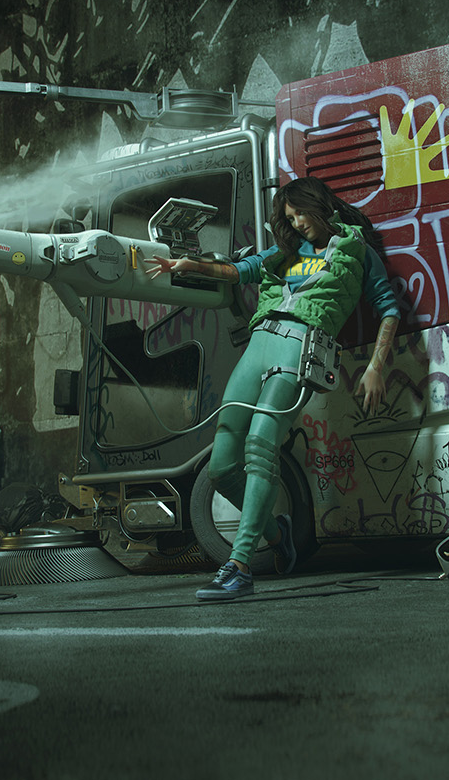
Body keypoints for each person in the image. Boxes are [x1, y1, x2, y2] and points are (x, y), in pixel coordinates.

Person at [145, 176, 403, 600]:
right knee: (221, 466)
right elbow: (239, 270)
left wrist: (375, 367)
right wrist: (188, 265)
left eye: (301, 213)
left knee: (261, 446)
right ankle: (277, 533)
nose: (298, 223)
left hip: (299, 350)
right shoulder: (286, 252)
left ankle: (239, 567)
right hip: (258, 347)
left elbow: (389, 308)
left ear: (319, 204)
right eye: (290, 217)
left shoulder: (356, 251)